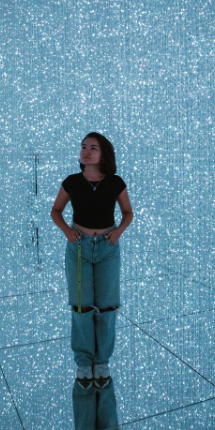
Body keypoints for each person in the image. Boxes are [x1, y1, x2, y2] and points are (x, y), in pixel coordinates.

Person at [51, 132, 133, 387]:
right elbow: (56, 211)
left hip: (108, 249)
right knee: (81, 306)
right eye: (83, 147)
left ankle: (102, 361)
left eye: (93, 148)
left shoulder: (115, 182)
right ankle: (84, 363)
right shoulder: (72, 181)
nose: (86, 151)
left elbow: (128, 212)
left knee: (107, 306)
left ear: (103, 154)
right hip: (79, 249)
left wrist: (117, 232)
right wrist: (67, 230)